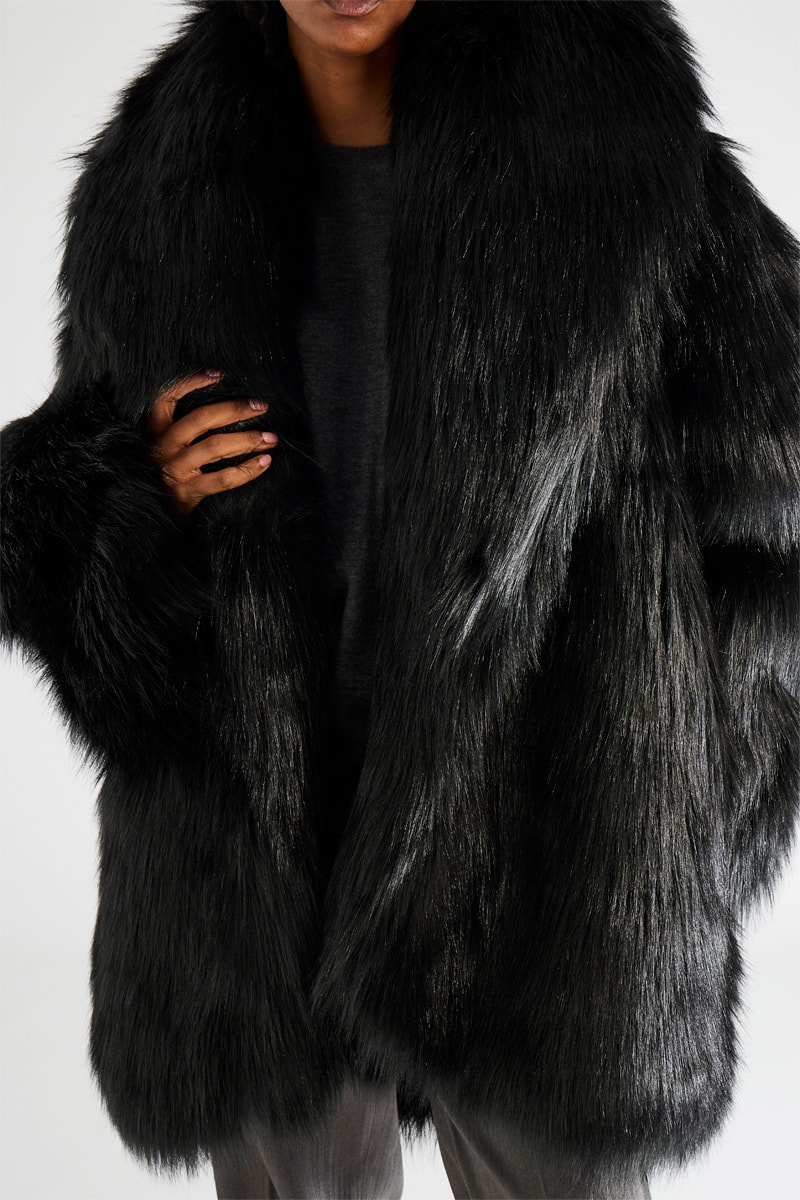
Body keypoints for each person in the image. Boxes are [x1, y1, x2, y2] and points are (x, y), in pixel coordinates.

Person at [1, 2, 797, 1198]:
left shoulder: (615, 151)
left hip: (544, 814)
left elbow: (772, 501)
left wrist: (689, 811)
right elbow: (80, 527)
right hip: (253, 833)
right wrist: (119, 486)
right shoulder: (154, 188)